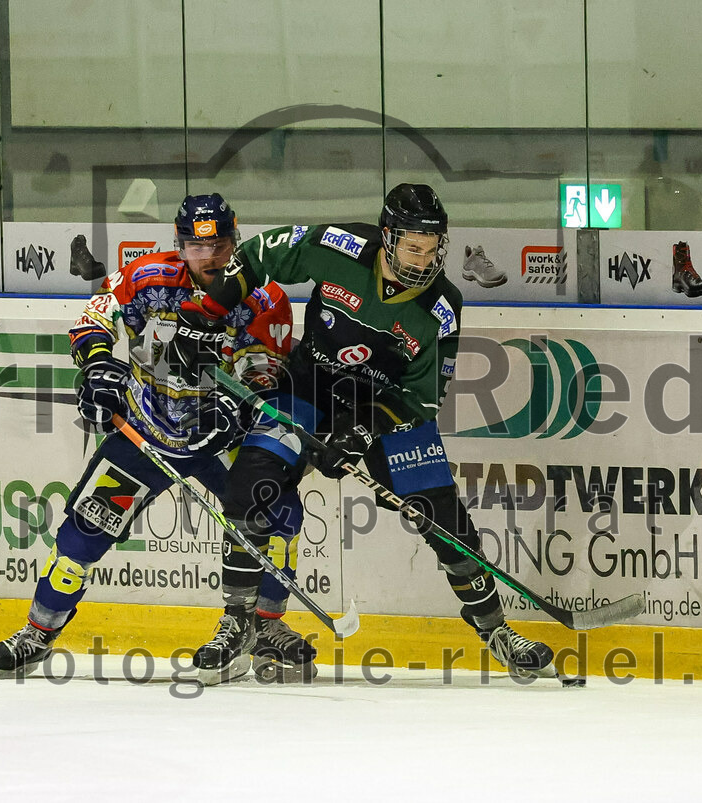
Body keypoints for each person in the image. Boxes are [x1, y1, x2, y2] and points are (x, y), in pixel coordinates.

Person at [180, 183, 556, 684]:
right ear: (388, 236)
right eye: (413, 247)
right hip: (309, 389)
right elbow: (256, 255)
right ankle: (238, 622)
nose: (423, 260)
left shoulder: (443, 306)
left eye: (432, 249)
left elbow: (425, 398)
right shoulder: (339, 246)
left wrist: (363, 428)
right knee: (251, 484)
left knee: (441, 513)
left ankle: (496, 630)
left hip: (383, 408)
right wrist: (205, 318)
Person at [0, 194, 317, 682]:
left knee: (276, 511)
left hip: (222, 439)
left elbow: (267, 370)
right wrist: (98, 365)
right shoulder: (146, 277)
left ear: (236, 240)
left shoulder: (264, 296)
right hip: (146, 429)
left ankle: (261, 625)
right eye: (196, 247)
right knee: (85, 529)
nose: (209, 258)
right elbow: (94, 317)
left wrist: (238, 402)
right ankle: (38, 632)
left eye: (220, 246)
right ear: (179, 244)